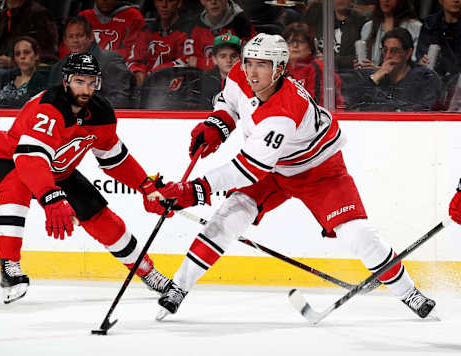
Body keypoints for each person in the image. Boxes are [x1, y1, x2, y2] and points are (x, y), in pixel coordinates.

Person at [155, 33, 436, 320]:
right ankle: (178, 287)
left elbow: (246, 170)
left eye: (262, 65)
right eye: (249, 62)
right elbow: (229, 100)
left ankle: (409, 293)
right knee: (228, 216)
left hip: (319, 171)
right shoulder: (240, 73)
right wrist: (219, 123)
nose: (251, 71)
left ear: (279, 68)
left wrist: (193, 190)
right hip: (274, 167)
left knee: (359, 235)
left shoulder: (284, 112)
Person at [0, 53, 171, 304]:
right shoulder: (50, 107)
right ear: (66, 81)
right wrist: (51, 199)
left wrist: (145, 186)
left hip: (59, 171)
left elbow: (114, 159)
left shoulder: (101, 113)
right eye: (79, 81)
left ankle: (147, 272)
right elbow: (30, 160)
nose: (86, 89)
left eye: (91, 82)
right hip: (13, 160)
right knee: (16, 191)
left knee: (103, 220)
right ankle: (10, 268)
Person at [49, 16, 136, 108]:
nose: (75, 40)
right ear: (65, 41)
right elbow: (51, 100)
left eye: (80, 35)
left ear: (91, 37)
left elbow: (120, 100)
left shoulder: (110, 61)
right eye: (71, 36)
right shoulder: (58, 68)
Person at [348, 27, 440, 111]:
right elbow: (352, 103)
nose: (388, 56)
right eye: (385, 50)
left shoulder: (424, 77)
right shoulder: (375, 76)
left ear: (408, 53)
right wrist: (378, 75)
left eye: (394, 51)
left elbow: (424, 110)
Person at [76, 0, 146, 86]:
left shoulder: (133, 16)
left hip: (119, 79)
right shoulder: (84, 16)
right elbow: (70, 50)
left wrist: (135, 71)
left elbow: (137, 55)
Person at [127, 0, 193, 87]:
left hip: (178, 90)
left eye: (170, 1)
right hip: (146, 91)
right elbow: (134, 59)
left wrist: (157, 72)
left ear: (179, 3)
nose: (164, 5)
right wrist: (138, 71)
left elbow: (189, 60)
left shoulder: (190, 31)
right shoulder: (146, 30)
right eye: (159, 0)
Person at [283, 22, 344, 109]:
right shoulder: (280, 69)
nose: (295, 46)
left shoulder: (318, 67)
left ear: (310, 47)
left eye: (300, 42)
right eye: (290, 42)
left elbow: (318, 105)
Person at [188, 0, 256, 71]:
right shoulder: (195, 27)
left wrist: (205, 63)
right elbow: (189, 61)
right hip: (205, 79)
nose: (213, 2)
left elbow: (251, 60)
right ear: (202, 1)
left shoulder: (242, 23)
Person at [357, 0, 421, 69]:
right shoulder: (368, 27)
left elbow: (414, 64)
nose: (386, 0)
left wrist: (377, 70)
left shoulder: (415, 27)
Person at [310, 0, 369, 71]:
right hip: (320, 71)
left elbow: (360, 57)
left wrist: (330, 60)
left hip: (348, 74)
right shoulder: (322, 18)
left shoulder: (361, 22)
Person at [0, 36, 49, 108]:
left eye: (27, 52)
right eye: (17, 54)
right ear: (14, 58)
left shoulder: (45, 82)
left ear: (36, 55)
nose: (22, 56)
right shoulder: (5, 79)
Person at [416, 0, 461, 83]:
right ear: (440, 1)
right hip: (433, 80)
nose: (456, 1)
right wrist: (422, 61)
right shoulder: (430, 23)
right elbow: (421, 55)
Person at [199, 33, 241, 109]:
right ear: (214, 59)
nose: (229, 60)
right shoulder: (205, 80)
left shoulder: (249, 80)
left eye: (233, 56)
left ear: (240, 58)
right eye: (223, 56)